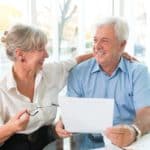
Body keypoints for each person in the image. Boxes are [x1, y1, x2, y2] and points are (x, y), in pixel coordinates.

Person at [55, 17, 150, 149]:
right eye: (95, 40)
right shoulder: (78, 72)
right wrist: (63, 120)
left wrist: (134, 130)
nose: (97, 46)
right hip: (88, 143)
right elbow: (71, 109)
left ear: (122, 45)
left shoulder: (138, 72)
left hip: (128, 144)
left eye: (104, 41)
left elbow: (146, 112)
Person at [0, 24, 93, 150]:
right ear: (20, 54)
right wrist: (12, 127)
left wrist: (116, 55)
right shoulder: (2, 89)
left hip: (48, 143)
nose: (47, 55)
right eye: (40, 49)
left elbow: (78, 60)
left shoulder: (50, 71)